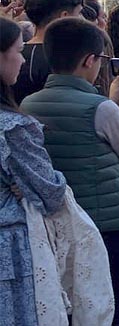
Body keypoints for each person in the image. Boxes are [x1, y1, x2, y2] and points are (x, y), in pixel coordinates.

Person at [22, 16, 119, 322]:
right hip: (106, 220)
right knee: (107, 304)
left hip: (56, 221)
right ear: (90, 60)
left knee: (70, 302)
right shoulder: (101, 108)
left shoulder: (28, 104)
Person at [0, 17, 70, 325]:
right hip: (9, 247)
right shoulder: (13, 127)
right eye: (18, 51)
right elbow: (50, 191)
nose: (23, 59)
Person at [12, 0, 84, 103]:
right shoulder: (67, 59)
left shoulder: (12, 55)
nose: (82, 19)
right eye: (79, 13)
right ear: (64, 16)